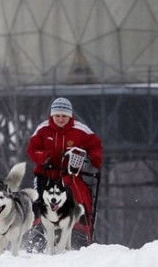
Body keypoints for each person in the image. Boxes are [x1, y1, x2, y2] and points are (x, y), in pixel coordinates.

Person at [27, 97, 103, 229]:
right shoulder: (42, 129)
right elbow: (32, 150)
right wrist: (46, 156)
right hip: (45, 175)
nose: (60, 119)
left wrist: (94, 158)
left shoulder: (81, 130)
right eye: (57, 116)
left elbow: (96, 146)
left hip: (71, 175)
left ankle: (82, 225)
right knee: (39, 199)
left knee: (81, 195)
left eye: (64, 116)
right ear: (52, 115)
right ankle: (38, 227)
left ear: (70, 116)